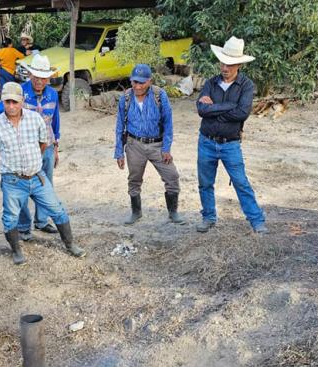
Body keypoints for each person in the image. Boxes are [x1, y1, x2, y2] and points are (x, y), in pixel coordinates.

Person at [0, 82, 86, 265]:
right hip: (13, 180)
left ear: (22, 101)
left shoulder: (35, 119)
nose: (11, 106)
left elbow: (43, 143)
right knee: (10, 217)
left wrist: (32, 162)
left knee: (57, 209)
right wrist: (11, 165)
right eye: (7, 102)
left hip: (37, 176)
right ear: (3, 102)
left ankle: (70, 244)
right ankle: (16, 250)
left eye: (15, 102)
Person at [195, 36, 267, 234]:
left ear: (239, 65)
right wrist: (228, 107)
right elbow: (201, 109)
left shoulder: (246, 85)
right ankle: (208, 217)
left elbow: (242, 113)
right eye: (223, 62)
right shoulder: (210, 82)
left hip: (230, 144)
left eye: (230, 64)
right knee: (205, 183)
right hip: (207, 141)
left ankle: (257, 221)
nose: (225, 67)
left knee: (241, 182)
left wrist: (214, 109)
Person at [0, 54, 61, 239]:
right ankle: (24, 226)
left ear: (48, 78)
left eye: (43, 77)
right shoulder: (18, 92)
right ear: (30, 75)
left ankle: (42, 221)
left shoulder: (53, 94)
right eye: (36, 76)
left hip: (46, 146)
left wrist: (55, 147)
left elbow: (55, 122)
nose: (40, 81)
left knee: (45, 184)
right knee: (21, 186)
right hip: (24, 150)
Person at [113, 63, 184, 225]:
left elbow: (168, 123)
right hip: (134, 145)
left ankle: (173, 212)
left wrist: (166, 148)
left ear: (149, 81)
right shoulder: (125, 98)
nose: (137, 86)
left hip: (157, 145)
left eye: (141, 83)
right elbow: (119, 126)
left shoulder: (160, 95)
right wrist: (119, 151)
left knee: (172, 176)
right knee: (134, 179)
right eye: (134, 82)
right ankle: (136, 212)